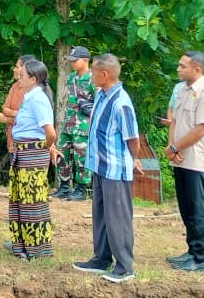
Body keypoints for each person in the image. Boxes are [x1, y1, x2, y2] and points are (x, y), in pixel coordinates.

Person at [72, 54, 143, 284]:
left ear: (104, 75)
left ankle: (124, 267)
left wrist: (135, 159)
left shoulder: (121, 102)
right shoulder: (101, 95)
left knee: (118, 218)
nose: (91, 75)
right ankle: (101, 258)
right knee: (101, 215)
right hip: (99, 167)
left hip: (115, 168)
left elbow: (132, 137)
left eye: (93, 72)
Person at [164, 50, 204, 272]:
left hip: (196, 159)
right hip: (179, 156)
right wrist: (172, 147)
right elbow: (174, 121)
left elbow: (201, 129)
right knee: (185, 206)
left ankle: (200, 257)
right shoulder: (181, 90)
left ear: (197, 69)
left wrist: (175, 147)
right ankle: (191, 251)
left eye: (182, 66)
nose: (178, 69)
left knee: (197, 207)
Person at [7, 56, 57, 259]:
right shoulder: (30, 96)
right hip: (24, 153)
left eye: (23, 74)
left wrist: (43, 148)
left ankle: (36, 249)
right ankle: (23, 246)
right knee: (21, 201)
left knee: (32, 203)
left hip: (32, 155)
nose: (19, 77)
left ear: (33, 79)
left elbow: (50, 133)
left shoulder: (38, 98)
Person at [54, 46, 95, 202]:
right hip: (68, 123)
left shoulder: (93, 78)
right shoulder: (71, 77)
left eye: (74, 60)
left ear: (85, 60)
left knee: (81, 158)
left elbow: (98, 104)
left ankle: (81, 189)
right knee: (61, 154)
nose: (71, 63)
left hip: (83, 126)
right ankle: (64, 186)